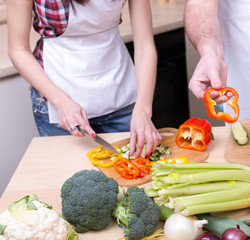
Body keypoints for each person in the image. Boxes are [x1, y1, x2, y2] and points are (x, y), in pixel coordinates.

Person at [6, 0, 162, 157]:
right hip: (57, 99)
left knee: (137, 173)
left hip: (122, 96)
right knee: (65, 176)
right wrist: (61, 101)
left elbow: (145, 46)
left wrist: (143, 109)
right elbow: (18, 50)